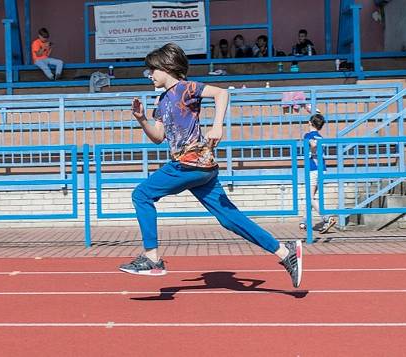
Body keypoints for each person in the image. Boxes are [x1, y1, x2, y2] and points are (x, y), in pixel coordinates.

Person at [118, 43, 302, 288]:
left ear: (167, 67)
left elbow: (222, 93)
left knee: (141, 194)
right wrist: (142, 119)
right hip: (202, 170)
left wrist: (218, 125)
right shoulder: (161, 101)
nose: (149, 75)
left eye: (152, 70)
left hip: (190, 163)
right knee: (228, 218)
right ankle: (284, 252)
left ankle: (152, 257)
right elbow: (158, 137)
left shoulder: (186, 88)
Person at [300, 113, 336, 233]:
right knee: (311, 197)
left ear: (310, 123)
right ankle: (304, 221)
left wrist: (312, 147)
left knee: (310, 197)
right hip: (322, 169)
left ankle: (327, 218)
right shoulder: (320, 136)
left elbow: (313, 144)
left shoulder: (308, 135)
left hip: (313, 168)